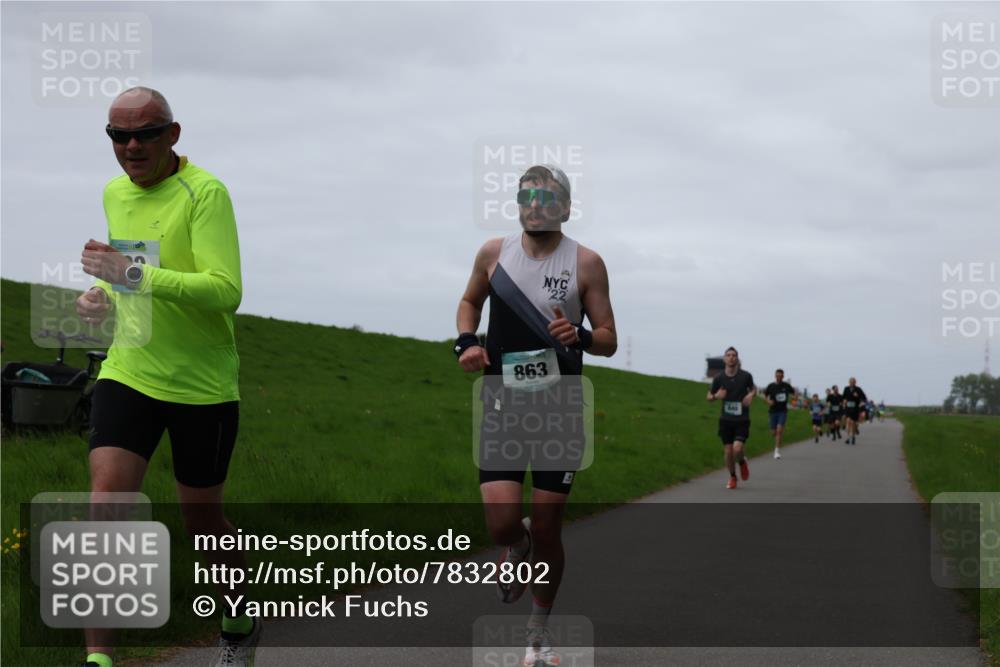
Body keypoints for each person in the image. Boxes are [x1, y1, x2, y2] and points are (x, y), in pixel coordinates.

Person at [75, 87, 257, 667]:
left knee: (202, 522)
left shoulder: (205, 193)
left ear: (172, 135)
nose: (131, 146)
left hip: (201, 386)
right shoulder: (114, 192)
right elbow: (133, 271)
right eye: (118, 135)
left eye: (145, 133)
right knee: (106, 508)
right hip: (129, 370)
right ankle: (99, 660)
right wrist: (101, 293)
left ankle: (236, 616)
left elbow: (225, 291)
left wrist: (127, 273)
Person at [455, 164, 617, 667]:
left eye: (547, 198)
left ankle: (536, 634)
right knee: (503, 524)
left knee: (550, 527)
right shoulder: (492, 253)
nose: (535, 205)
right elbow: (468, 302)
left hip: (560, 408)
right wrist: (466, 342)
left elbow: (609, 337)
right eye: (526, 196)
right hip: (502, 404)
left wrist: (582, 336)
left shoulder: (586, 263)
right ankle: (515, 545)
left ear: (565, 208)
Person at [707, 347, 756, 489]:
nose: (731, 357)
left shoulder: (746, 376)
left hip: (742, 419)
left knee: (737, 448)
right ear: (724, 359)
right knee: (728, 451)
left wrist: (750, 395)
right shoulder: (719, 378)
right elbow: (708, 396)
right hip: (726, 420)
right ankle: (733, 477)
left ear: (737, 359)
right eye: (728, 355)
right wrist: (716, 396)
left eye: (734, 355)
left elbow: (753, 389)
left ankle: (742, 463)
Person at [763, 368, 793, 459]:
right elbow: (765, 397)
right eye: (777, 375)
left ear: (783, 376)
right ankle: (779, 440)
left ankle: (776, 451)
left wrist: (795, 399)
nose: (779, 377)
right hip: (773, 411)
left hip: (782, 411)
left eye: (780, 375)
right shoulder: (771, 386)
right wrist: (768, 401)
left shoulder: (786, 386)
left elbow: (794, 394)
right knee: (774, 432)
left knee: (779, 430)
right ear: (775, 376)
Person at [842, 377, 868, 445]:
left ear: (855, 382)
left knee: (853, 423)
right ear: (849, 382)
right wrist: (844, 401)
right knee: (848, 421)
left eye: (853, 382)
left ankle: (853, 437)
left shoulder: (858, 389)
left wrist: (859, 399)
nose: (852, 383)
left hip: (855, 408)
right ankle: (848, 438)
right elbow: (843, 397)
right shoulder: (846, 388)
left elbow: (864, 397)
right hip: (848, 408)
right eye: (851, 381)